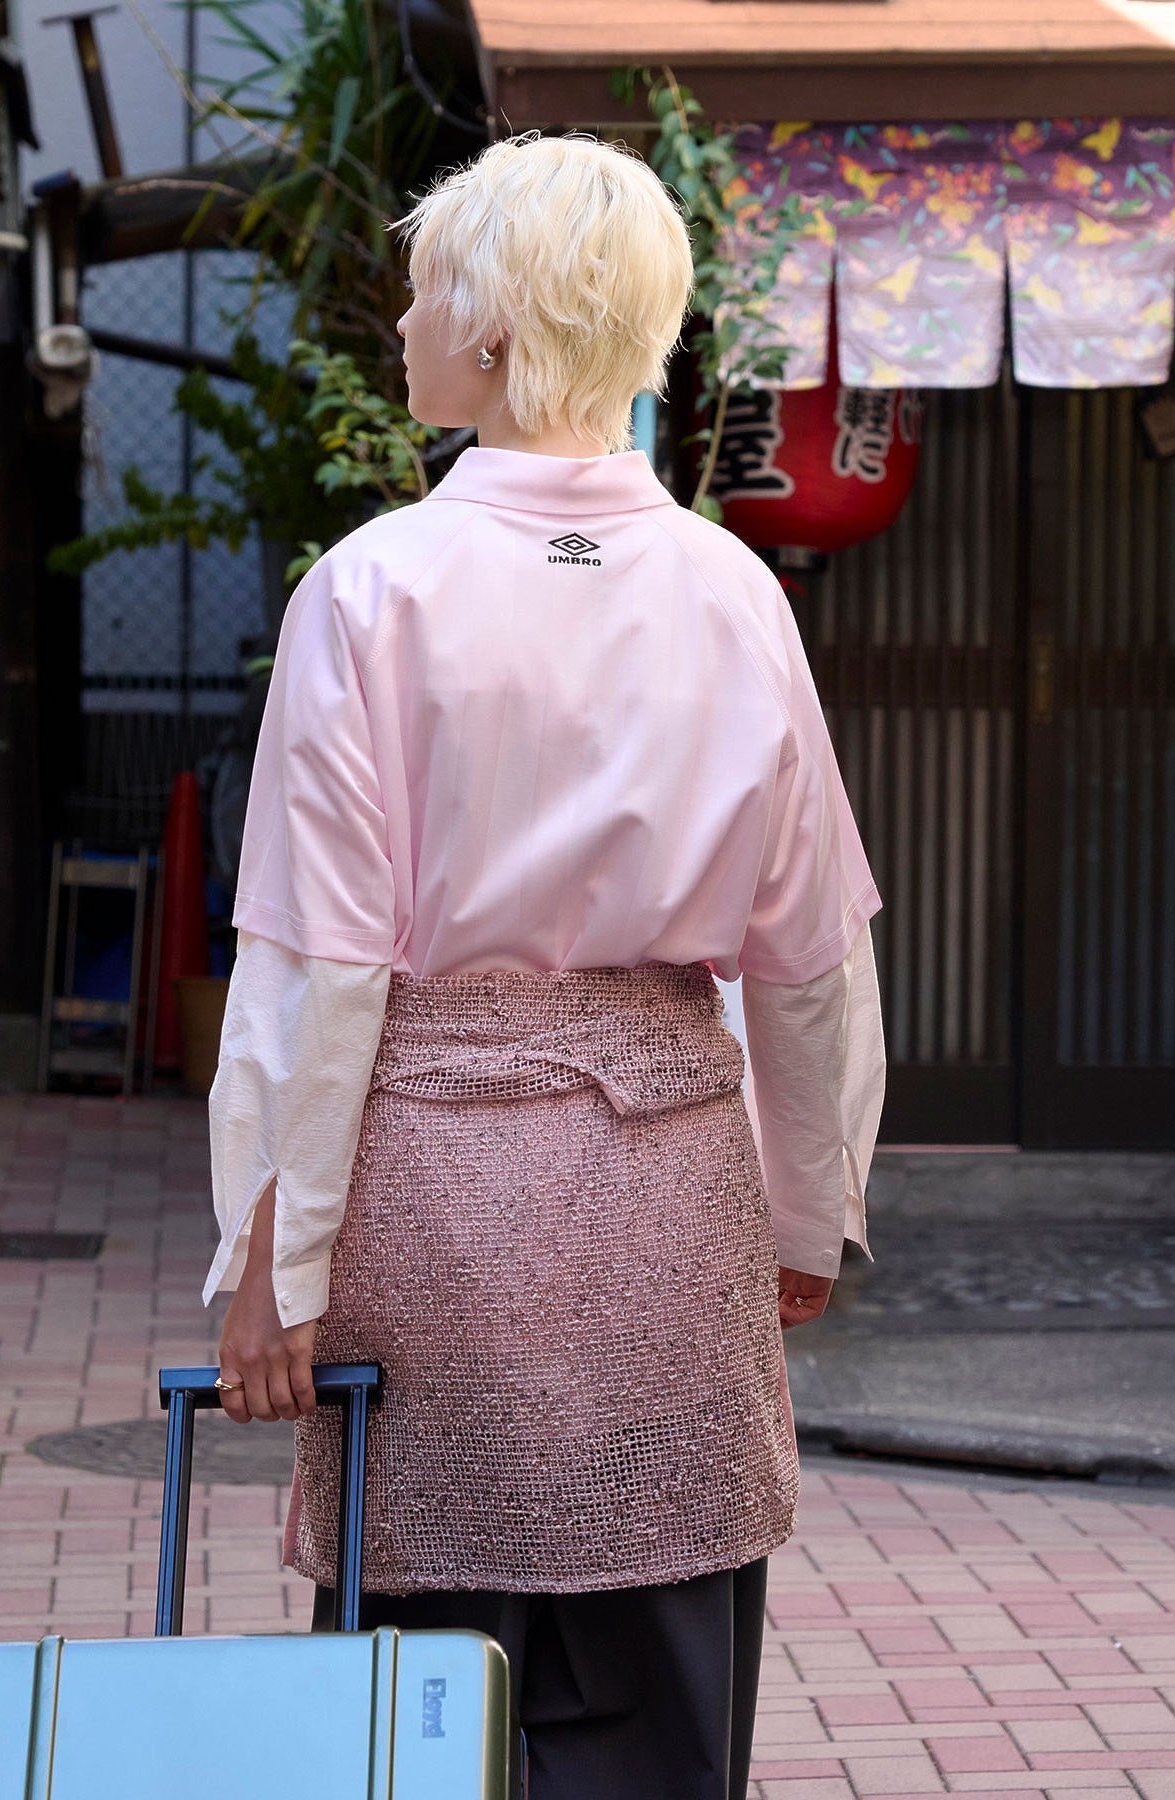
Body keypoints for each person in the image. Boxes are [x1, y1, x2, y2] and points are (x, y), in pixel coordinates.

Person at [202, 129, 886, 1800]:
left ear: (495, 337)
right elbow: (808, 955)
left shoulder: (372, 593)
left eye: (433, 290)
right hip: (670, 1202)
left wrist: (271, 1264)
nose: (412, 320)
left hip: (436, 1206)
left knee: (424, 1701)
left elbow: (323, 962)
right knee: (669, 1658)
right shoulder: (736, 597)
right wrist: (810, 1208)